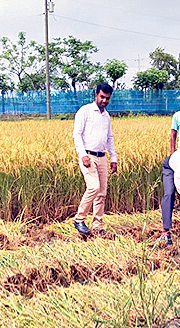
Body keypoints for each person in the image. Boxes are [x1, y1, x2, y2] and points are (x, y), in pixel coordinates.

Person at [72, 82, 118, 236]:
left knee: (102, 194)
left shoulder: (106, 116)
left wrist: (114, 158)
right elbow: (77, 134)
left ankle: (97, 226)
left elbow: (109, 137)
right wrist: (82, 155)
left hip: (102, 157)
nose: (104, 101)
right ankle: (79, 219)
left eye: (107, 98)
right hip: (88, 156)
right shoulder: (85, 111)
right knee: (93, 187)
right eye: (102, 97)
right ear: (96, 95)